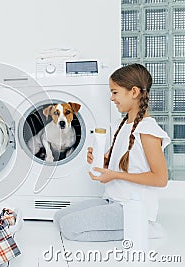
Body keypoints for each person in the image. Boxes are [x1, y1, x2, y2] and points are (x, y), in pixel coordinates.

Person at [53, 63, 171, 241]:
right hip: (113, 199)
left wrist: (115, 175)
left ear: (133, 92)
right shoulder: (121, 125)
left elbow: (160, 179)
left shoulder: (147, 130)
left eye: (115, 92)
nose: (111, 98)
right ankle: (135, 226)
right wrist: (100, 162)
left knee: (69, 228)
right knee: (59, 218)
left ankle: (143, 227)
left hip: (133, 207)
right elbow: (118, 163)